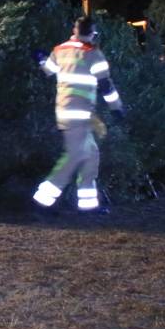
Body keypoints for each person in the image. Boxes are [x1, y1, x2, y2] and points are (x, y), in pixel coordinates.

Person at [32, 16, 124, 216]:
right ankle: (41, 201)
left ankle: (88, 204)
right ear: (92, 33)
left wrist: (39, 58)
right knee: (75, 156)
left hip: (67, 112)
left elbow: (48, 70)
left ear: (75, 31)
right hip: (80, 115)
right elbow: (106, 85)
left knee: (91, 156)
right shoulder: (93, 54)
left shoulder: (60, 50)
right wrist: (117, 108)